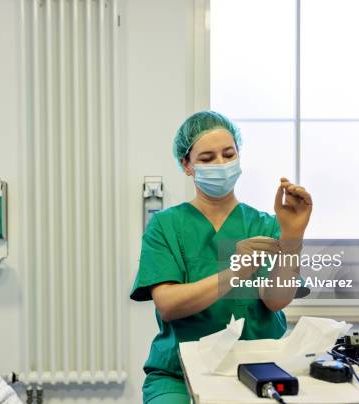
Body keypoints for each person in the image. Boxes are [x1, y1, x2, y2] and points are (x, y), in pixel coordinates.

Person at [130, 111, 313, 404]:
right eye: (207, 158)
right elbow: (168, 305)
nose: (221, 164)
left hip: (259, 368)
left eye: (229, 154)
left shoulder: (264, 224)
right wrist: (235, 273)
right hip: (179, 375)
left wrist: (292, 239)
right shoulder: (165, 226)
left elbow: (275, 301)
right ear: (186, 165)